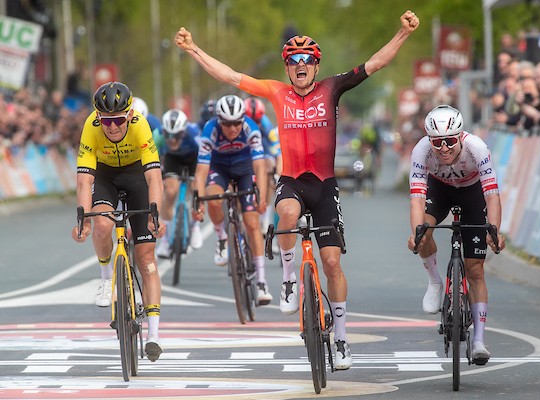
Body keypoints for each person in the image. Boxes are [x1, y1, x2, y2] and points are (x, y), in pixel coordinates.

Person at [175, 9, 420, 371]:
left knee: (332, 263)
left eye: (307, 60)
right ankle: (289, 278)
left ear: (316, 66)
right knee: (286, 214)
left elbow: (375, 64)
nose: (300, 65)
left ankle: (340, 338)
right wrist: (194, 49)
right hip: (291, 180)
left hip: (324, 185)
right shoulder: (276, 92)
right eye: (293, 60)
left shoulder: (332, 87)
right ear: (287, 68)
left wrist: (402, 33)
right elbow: (228, 75)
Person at [71, 81, 166, 362]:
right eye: (106, 121)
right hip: (106, 176)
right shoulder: (91, 126)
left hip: (137, 174)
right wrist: (82, 219)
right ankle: (104, 278)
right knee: (101, 224)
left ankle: (154, 334)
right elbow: (84, 178)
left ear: (128, 114)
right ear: (99, 118)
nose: (112, 127)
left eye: (117, 120)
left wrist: (155, 214)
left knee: (146, 259)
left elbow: (154, 177)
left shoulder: (140, 125)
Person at [407, 105, 506, 365]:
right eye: (437, 142)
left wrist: (494, 230)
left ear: (460, 136)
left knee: (475, 271)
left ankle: (479, 342)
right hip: (439, 190)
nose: (443, 148)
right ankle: (435, 281)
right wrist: (416, 233)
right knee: (423, 232)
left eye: (450, 141)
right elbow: (417, 198)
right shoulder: (420, 151)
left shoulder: (478, 148)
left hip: (472, 192)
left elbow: (492, 193)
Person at [194, 94, 272, 305]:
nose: (232, 128)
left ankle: (262, 282)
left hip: (245, 167)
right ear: (219, 120)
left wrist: (262, 197)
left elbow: (260, 167)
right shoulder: (210, 130)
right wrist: (198, 201)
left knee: (252, 222)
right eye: (227, 124)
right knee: (212, 197)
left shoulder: (250, 129)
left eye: (237, 122)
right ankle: (221, 238)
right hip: (219, 167)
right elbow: (201, 171)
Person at [154, 109, 204, 258]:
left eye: (176, 136)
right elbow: (150, 159)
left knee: (197, 188)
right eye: (167, 135)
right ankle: (165, 241)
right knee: (169, 192)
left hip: (194, 159)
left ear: (183, 132)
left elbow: (206, 159)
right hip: (172, 159)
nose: (172, 140)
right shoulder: (157, 136)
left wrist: (199, 178)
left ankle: (195, 227)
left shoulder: (195, 135)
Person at [244, 96, 282, 233]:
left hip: (264, 151)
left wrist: (277, 174)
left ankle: (264, 217)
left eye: (257, 121)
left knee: (267, 168)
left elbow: (277, 153)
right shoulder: (236, 125)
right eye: (250, 120)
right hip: (245, 152)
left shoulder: (266, 125)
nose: (253, 125)